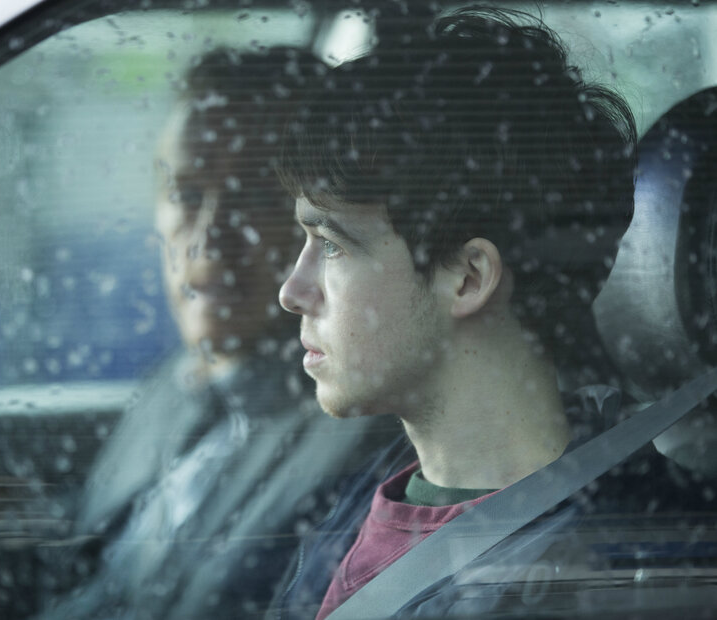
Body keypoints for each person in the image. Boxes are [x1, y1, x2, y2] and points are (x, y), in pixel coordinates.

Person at [268, 7, 708, 619]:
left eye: (333, 244)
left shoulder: (601, 572)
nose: (292, 291)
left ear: (469, 278)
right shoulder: (375, 489)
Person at [37, 48, 397, 620]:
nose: (210, 236)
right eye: (185, 195)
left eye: (255, 197)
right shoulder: (173, 385)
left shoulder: (358, 438)